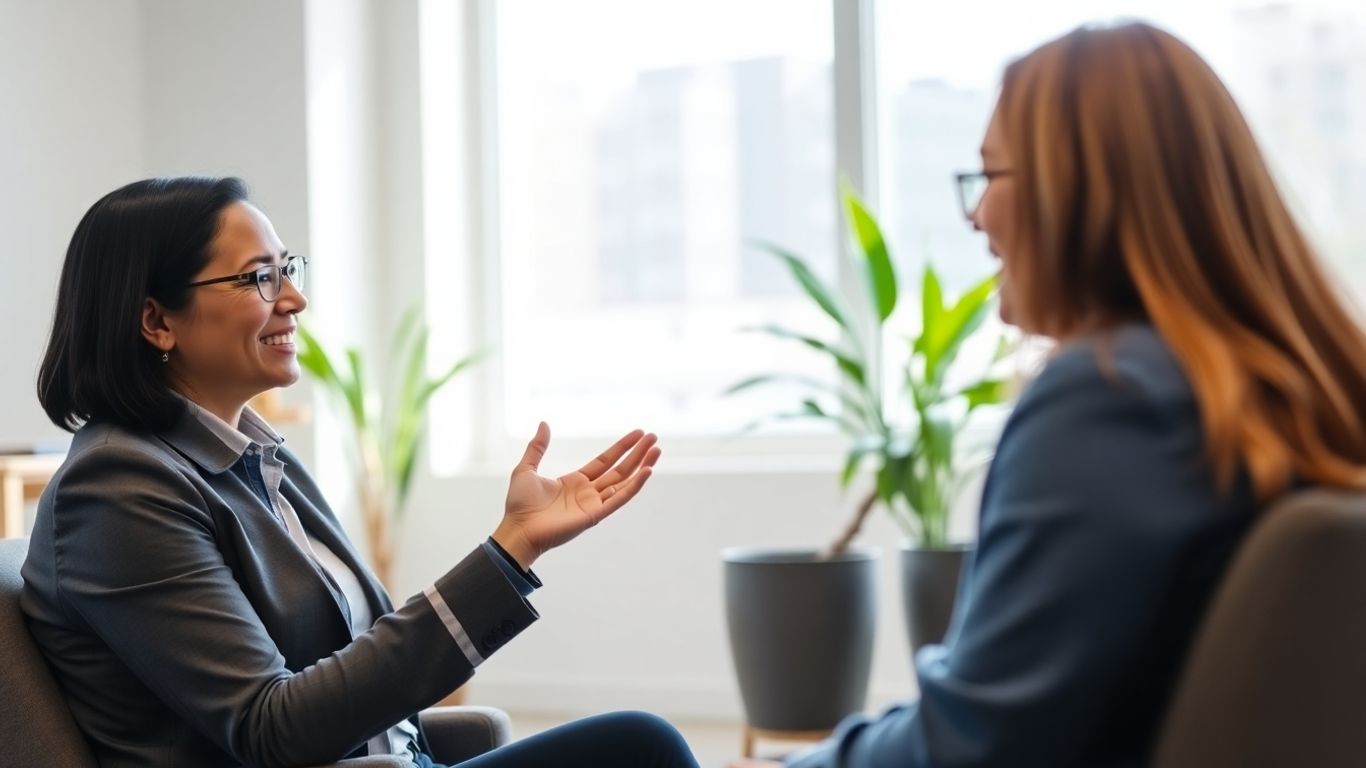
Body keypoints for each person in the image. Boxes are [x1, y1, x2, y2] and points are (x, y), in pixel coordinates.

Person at [733, 20, 1366, 768]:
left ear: (1078, 191)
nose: (976, 216)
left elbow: (971, 747)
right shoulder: (1288, 395)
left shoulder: (1112, 399)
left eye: (990, 177)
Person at [22, 176, 700, 768]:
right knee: (643, 746)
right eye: (260, 277)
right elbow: (270, 727)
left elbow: (360, 657)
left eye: (290, 269)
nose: (294, 299)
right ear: (155, 321)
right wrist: (511, 550)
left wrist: (518, 541)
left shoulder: (260, 459)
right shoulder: (117, 488)